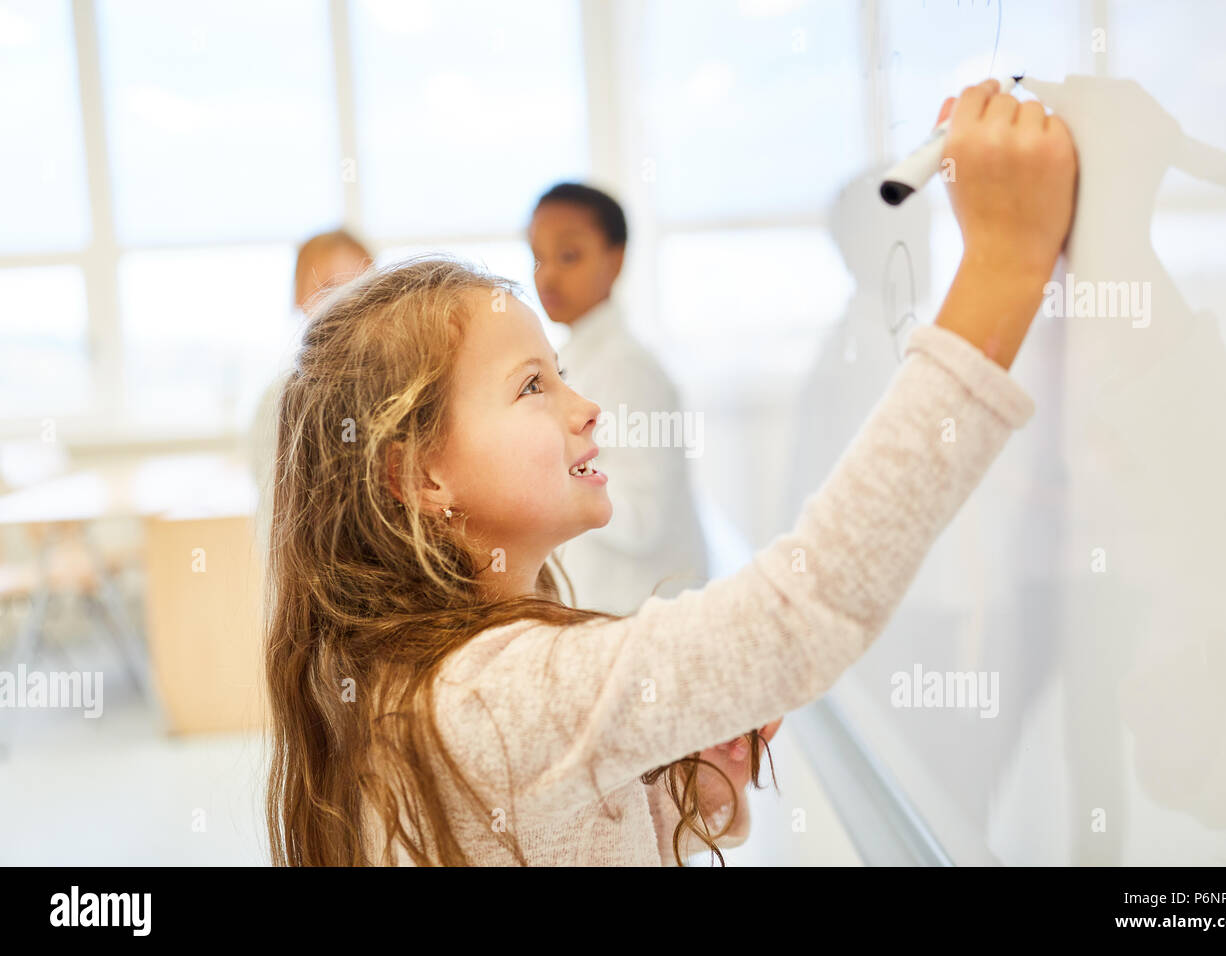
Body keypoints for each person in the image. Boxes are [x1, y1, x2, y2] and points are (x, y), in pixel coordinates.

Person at [263, 79, 1078, 866]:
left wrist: (694, 783)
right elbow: (807, 605)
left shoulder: (460, 679)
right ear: (420, 477)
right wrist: (1004, 265)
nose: (586, 408)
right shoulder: (485, 696)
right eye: (532, 386)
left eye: (562, 372)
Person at [527, 182, 710, 615]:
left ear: (616, 258)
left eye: (569, 256)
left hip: (636, 612)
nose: (547, 275)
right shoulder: (571, 357)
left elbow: (643, 518)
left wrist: (539, 482)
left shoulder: (629, 370)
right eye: (537, 257)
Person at [247, 230, 373, 563]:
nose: (346, 301)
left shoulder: (391, 389)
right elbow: (272, 517)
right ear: (299, 298)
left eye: (361, 286)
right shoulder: (279, 401)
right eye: (329, 288)